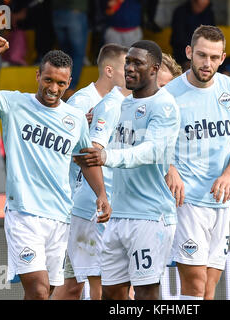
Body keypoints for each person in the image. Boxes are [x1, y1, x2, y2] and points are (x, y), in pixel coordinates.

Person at [0, 34, 111, 300]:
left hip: (60, 217)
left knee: (44, 293)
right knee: (38, 290)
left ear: (68, 83)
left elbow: (85, 158)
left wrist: (101, 194)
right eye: (48, 80)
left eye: (61, 83)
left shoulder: (74, 118)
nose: (53, 88)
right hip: (24, 214)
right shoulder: (14, 104)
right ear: (38, 75)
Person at [77, 40, 180, 300]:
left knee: (146, 293)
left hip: (149, 215)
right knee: (111, 294)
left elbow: (151, 151)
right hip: (118, 215)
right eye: (128, 63)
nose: (130, 69)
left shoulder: (164, 105)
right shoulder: (119, 104)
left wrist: (106, 156)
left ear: (154, 69)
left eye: (138, 63)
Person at [164, 25, 230, 300]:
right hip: (187, 201)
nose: (207, 63)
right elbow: (154, 146)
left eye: (214, 57)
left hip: (220, 200)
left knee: (209, 289)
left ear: (223, 58)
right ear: (189, 52)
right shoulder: (169, 95)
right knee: (195, 286)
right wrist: (170, 169)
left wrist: (229, 175)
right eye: (201, 55)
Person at [51, 42, 129, 301]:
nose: (130, 73)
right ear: (109, 70)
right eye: (125, 68)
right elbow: (67, 151)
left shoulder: (123, 101)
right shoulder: (82, 102)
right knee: (101, 283)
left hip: (100, 202)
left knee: (73, 285)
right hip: (82, 205)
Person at [52, 0, 90, 98]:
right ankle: (70, 89)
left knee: (64, 54)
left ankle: (60, 86)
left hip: (57, 12)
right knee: (77, 54)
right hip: (75, 11)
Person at [170, 0, 215, 72]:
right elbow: (177, 40)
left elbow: (213, 37)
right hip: (184, 56)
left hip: (207, 53)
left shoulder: (209, 13)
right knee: (191, 71)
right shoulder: (180, 12)